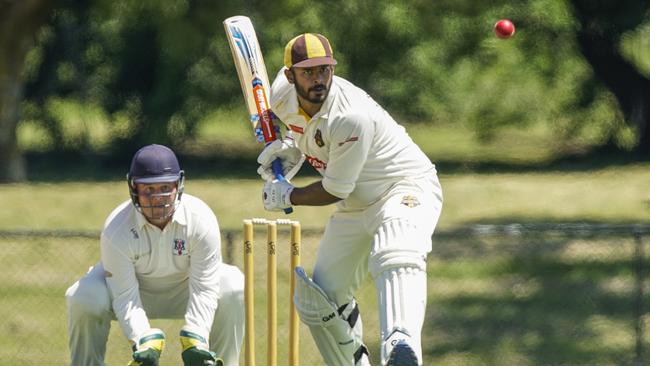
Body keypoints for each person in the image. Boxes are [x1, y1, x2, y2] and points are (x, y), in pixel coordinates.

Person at [258, 33, 443, 366]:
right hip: (356, 203)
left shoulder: (349, 115)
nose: (318, 79)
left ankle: (400, 346)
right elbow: (296, 126)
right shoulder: (280, 94)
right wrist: (289, 149)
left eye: (324, 70)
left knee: (396, 248)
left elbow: (334, 189)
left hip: (402, 186)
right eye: (308, 72)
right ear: (290, 76)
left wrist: (289, 194)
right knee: (320, 299)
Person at [65, 144, 244, 366]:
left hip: (184, 290)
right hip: (134, 291)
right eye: (148, 189)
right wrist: (142, 338)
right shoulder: (117, 228)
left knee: (234, 283)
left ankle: (219, 362)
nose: (157, 197)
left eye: (164, 187)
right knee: (82, 296)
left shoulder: (201, 219)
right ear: (134, 189)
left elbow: (204, 288)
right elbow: (124, 295)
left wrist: (196, 337)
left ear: (178, 186)